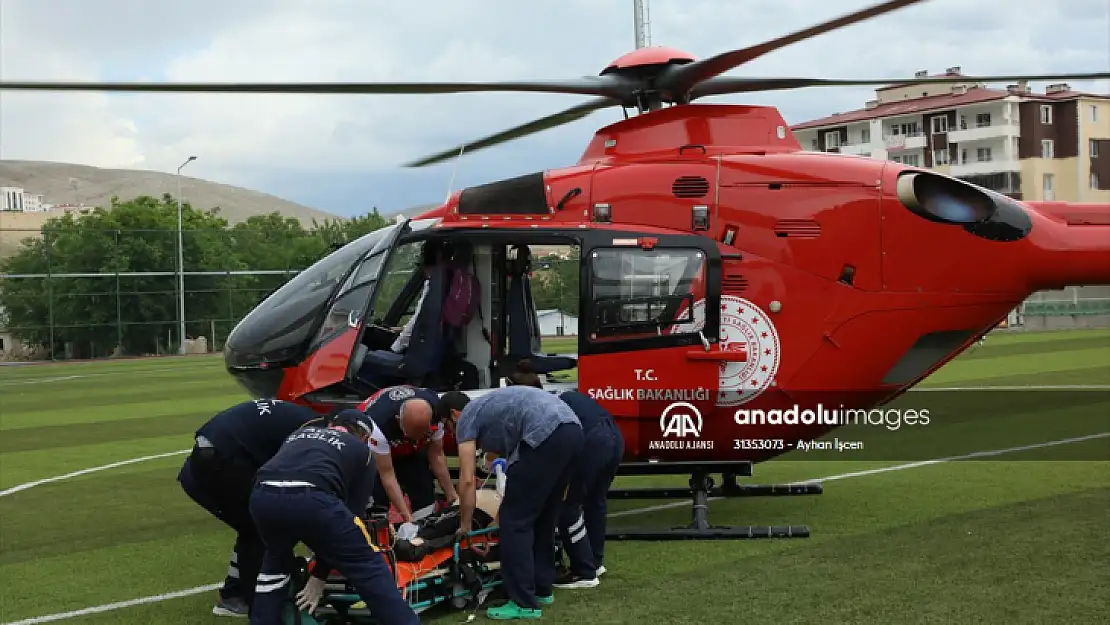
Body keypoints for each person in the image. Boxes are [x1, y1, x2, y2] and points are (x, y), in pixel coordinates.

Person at [248, 409, 419, 625]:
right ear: (365, 436)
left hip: (262, 496)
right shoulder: (362, 451)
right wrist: (320, 574)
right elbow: (353, 513)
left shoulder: (298, 435)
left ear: (331, 425)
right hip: (312, 497)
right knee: (367, 563)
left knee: (274, 562)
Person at [176, 398, 324, 617]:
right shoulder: (311, 437)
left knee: (253, 526)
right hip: (217, 462)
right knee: (260, 528)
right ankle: (250, 600)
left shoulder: (306, 423)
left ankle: (233, 593)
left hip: (206, 459)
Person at [452, 384, 584, 620]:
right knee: (543, 516)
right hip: (573, 429)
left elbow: (468, 480)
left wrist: (466, 524)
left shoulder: (466, 418)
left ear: (452, 415)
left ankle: (523, 601)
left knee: (515, 523)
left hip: (545, 431)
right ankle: (542, 588)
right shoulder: (495, 410)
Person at [358, 385, 469, 522]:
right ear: (399, 421)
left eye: (423, 434)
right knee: (378, 498)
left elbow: (436, 454)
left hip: (408, 448)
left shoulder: (437, 410)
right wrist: (407, 518)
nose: (417, 440)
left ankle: (424, 524)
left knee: (423, 486)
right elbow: (388, 476)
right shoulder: (377, 425)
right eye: (413, 436)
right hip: (374, 454)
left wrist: (452, 495)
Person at [553, 390, 624, 588]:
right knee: (596, 501)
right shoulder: (562, 397)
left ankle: (584, 571)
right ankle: (595, 561)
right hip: (615, 435)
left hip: (593, 439)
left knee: (567, 506)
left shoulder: (542, 408)